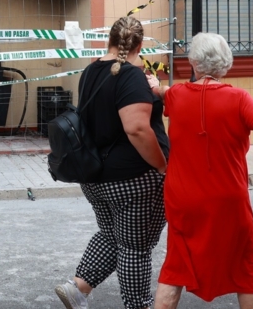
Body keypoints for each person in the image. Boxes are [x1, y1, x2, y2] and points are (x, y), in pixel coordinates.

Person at [152, 32, 253, 309]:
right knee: (245, 265)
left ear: (193, 62)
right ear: (226, 64)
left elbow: (162, 93)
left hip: (183, 199)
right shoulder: (240, 99)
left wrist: (154, 86)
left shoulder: (177, 95)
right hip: (228, 199)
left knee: (177, 264)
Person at [55, 16, 169, 309]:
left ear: (109, 40)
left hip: (96, 177)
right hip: (133, 179)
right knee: (135, 247)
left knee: (111, 236)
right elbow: (137, 129)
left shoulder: (91, 71)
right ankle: (138, 305)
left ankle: (77, 288)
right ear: (139, 45)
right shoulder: (130, 75)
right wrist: (162, 166)